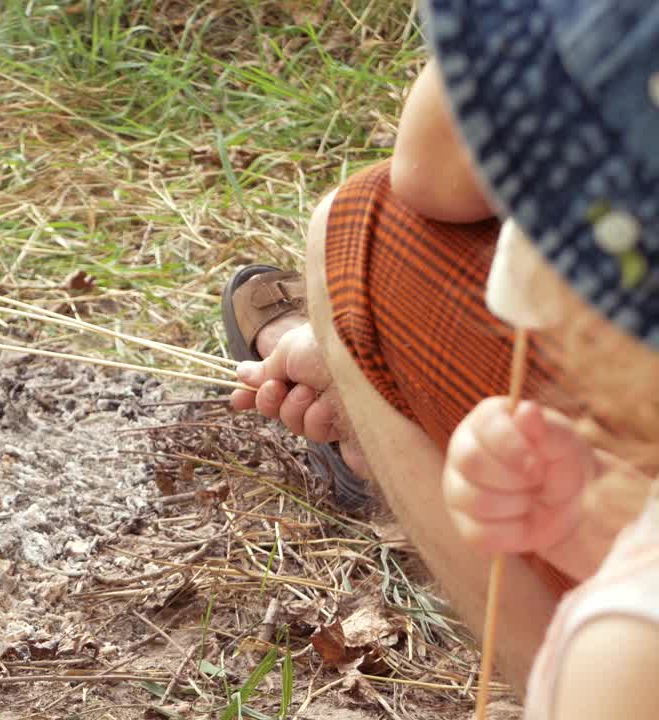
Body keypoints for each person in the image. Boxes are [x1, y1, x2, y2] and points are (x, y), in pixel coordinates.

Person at [218, 0, 658, 689]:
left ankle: (378, 417)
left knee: (354, 225)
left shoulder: (625, 657)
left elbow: (429, 174)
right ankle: (369, 412)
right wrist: (600, 520)